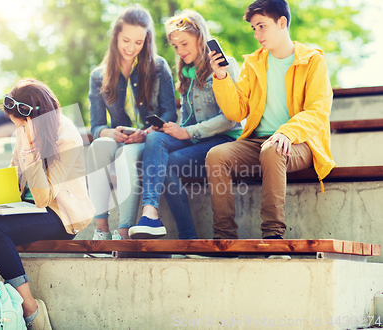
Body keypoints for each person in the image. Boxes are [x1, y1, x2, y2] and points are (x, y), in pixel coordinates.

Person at [0, 79, 94, 330]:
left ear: (35, 118)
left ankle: (30, 308)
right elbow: (15, 178)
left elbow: (43, 198)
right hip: (26, 208)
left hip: (60, 216)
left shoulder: (67, 138)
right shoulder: (22, 131)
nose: (18, 129)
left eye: (21, 124)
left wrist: (31, 150)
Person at [205, 0, 335, 240]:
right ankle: (224, 238)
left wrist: (286, 133)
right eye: (254, 28)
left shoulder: (313, 61)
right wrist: (221, 77)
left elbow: (318, 110)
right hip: (257, 142)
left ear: (282, 22)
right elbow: (237, 111)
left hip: (299, 143)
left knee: (273, 149)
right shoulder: (253, 63)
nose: (257, 34)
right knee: (216, 155)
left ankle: (273, 237)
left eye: (261, 26)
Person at [127, 10, 243, 240]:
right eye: (175, 46)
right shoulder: (186, 72)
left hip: (223, 140)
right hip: (197, 138)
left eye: (184, 43)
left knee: (166, 163)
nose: (180, 50)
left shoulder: (226, 65)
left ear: (200, 37)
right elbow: (190, 120)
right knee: (155, 138)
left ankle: (188, 238)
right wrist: (168, 128)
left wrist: (185, 132)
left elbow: (232, 118)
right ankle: (150, 213)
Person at [87, 5, 178, 241]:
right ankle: (102, 230)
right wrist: (111, 132)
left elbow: (170, 113)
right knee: (97, 147)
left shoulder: (158, 67)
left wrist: (147, 132)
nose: (131, 48)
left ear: (146, 41)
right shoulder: (99, 76)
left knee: (126, 154)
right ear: (116, 36)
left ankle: (125, 233)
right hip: (120, 138)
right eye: (126, 40)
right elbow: (96, 127)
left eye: (138, 42)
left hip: (149, 141)